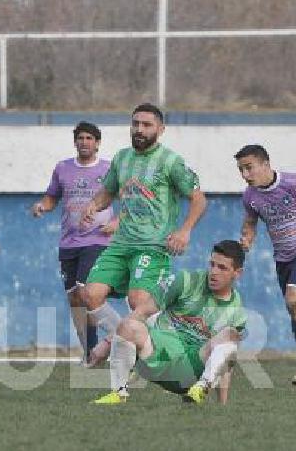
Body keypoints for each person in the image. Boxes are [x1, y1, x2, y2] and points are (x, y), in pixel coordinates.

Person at [79, 103, 208, 365]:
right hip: (121, 244)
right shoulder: (121, 158)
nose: (139, 129)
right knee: (90, 294)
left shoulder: (170, 161)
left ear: (160, 129)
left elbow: (198, 199)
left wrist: (184, 231)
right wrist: (94, 205)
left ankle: (164, 356)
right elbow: (108, 192)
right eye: (135, 123)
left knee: (138, 300)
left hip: (153, 246)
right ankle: (120, 340)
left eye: (147, 125)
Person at [91, 240, 248, 405]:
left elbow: (226, 361)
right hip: (156, 356)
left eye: (222, 268)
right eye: (212, 264)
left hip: (190, 373)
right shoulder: (185, 280)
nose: (214, 272)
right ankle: (118, 393)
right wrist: (109, 340)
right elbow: (141, 312)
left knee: (230, 336)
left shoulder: (236, 312)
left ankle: (201, 387)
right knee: (129, 325)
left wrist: (222, 405)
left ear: (237, 273)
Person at [30, 122, 117, 367]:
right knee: (75, 300)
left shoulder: (110, 169)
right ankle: (90, 351)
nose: (85, 142)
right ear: (75, 141)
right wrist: (42, 207)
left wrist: (117, 222)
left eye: (90, 138)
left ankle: (117, 336)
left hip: (97, 240)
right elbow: (52, 197)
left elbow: (130, 200)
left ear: (98, 143)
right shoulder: (63, 168)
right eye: (81, 137)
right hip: (69, 242)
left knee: (84, 291)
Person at [235, 144, 296, 385]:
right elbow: (250, 222)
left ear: (265, 164)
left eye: (249, 168)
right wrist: (247, 239)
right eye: (241, 170)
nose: (245, 175)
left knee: (294, 299)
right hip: (283, 259)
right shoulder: (250, 196)